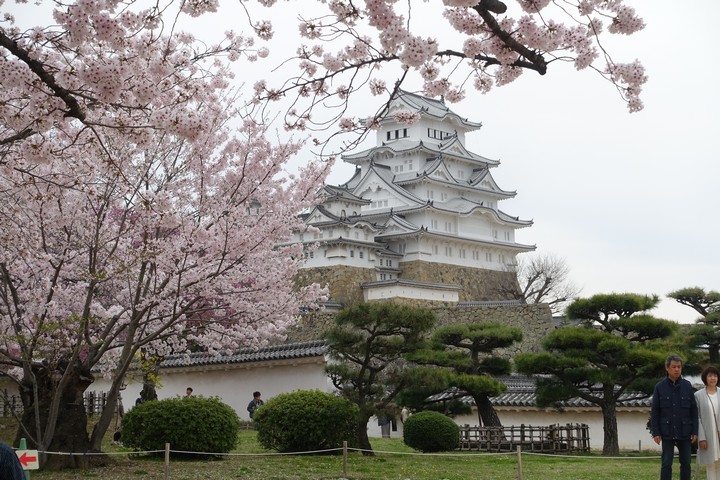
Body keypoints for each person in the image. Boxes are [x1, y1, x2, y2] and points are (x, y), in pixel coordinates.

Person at [651, 353, 698, 480]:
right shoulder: (659, 387)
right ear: (667, 368)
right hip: (667, 431)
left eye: (679, 367)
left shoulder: (687, 386)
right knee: (666, 463)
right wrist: (656, 432)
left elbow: (694, 411)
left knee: (686, 463)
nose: (677, 369)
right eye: (673, 367)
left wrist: (695, 431)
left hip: (685, 430)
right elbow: (655, 411)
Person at [696, 365, 720, 480]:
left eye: (715, 376)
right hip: (708, 436)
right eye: (710, 376)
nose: (713, 378)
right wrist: (701, 437)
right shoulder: (698, 395)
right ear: (705, 378)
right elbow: (697, 417)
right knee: (711, 465)